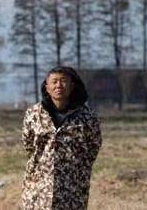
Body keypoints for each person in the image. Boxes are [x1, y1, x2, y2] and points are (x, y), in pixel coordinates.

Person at [21, 66, 102, 210]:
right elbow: (28, 144)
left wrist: (77, 169)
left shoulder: (87, 117)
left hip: (72, 189)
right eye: (54, 81)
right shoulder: (34, 114)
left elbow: (93, 147)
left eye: (63, 81)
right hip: (39, 188)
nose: (59, 85)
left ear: (71, 86)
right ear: (47, 87)